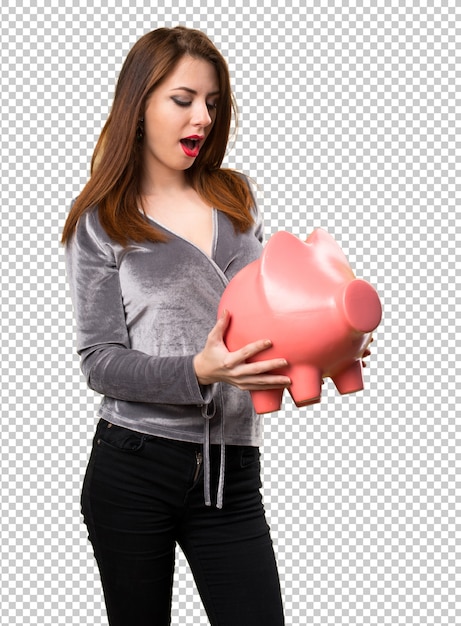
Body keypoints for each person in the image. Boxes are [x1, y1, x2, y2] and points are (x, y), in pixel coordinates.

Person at [62, 26, 291, 625]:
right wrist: (196, 371)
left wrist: (328, 339)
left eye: (212, 103)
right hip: (134, 467)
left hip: (232, 472)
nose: (203, 118)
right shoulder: (102, 221)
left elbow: (270, 314)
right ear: (138, 106)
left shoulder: (235, 199)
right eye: (184, 99)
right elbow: (100, 359)